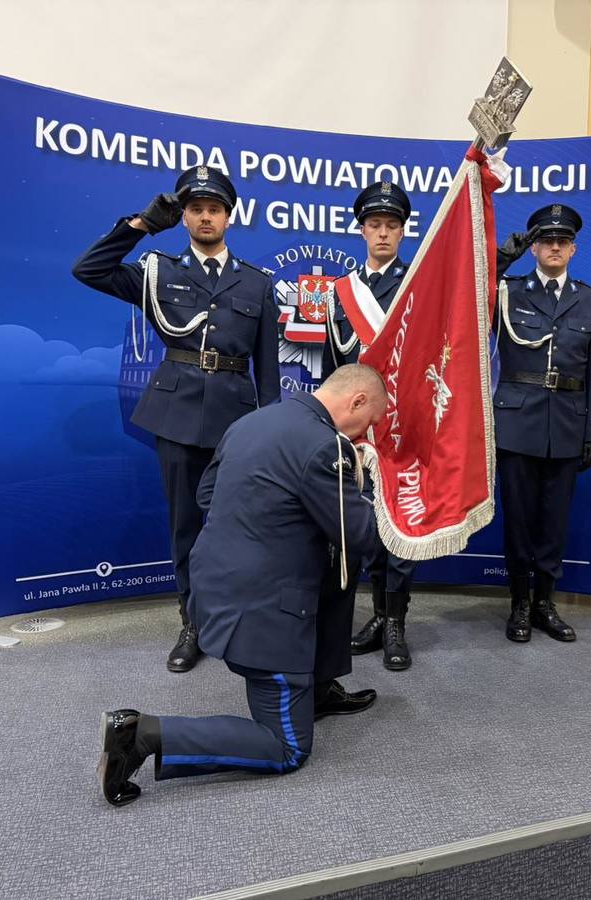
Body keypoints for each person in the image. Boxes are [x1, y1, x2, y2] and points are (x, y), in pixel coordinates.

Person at [98, 365, 386, 807]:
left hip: (214, 587)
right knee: (287, 747)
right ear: (357, 401)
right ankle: (140, 734)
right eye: (370, 421)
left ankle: (316, 690)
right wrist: (377, 490)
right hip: (263, 612)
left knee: (331, 569)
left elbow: (207, 496)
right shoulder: (324, 447)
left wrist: (271, 528)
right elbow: (362, 533)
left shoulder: (251, 422)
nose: (367, 433)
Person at [72, 166, 280, 674]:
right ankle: (193, 623)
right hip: (178, 415)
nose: (206, 217)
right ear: (183, 216)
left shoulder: (256, 282)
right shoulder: (158, 271)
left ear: (229, 217)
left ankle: (235, 614)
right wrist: (142, 225)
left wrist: (272, 430)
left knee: (239, 524)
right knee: (185, 524)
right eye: (196, 209)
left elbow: (268, 367)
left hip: (236, 419)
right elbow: (89, 269)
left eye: (215, 209)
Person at [493, 204, 591, 644]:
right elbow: (465, 299)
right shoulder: (507, 292)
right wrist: (500, 260)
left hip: (567, 423)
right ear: (534, 248)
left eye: (563, 241)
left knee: (554, 522)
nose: (554, 247)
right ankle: (519, 603)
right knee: (519, 521)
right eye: (546, 241)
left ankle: (545, 602)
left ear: (574, 249)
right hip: (517, 423)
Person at [322, 182, 418, 672]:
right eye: (374, 224)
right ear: (361, 230)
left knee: (400, 528)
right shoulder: (341, 292)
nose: (383, 232)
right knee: (366, 526)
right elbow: (332, 368)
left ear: (403, 232)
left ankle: (396, 621)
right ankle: (376, 616)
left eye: (392, 225)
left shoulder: (418, 283)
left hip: (403, 427)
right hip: (357, 431)